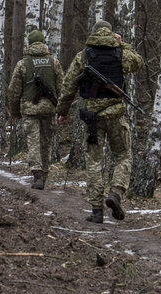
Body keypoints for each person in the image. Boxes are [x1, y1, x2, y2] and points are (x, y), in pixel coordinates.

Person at [57, 19, 143, 224]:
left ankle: (96, 210)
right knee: (123, 155)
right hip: (115, 114)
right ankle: (116, 192)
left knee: (94, 161)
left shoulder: (83, 56)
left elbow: (69, 85)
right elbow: (138, 62)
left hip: (91, 117)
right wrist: (122, 44)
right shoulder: (121, 54)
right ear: (111, 34)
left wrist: (63, 111)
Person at [6, 29, 62, 189]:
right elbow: (62, 87)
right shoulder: (53, 62)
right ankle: (44, 174)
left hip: (30, 109)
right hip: (49, 109)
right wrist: (62, 110)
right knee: (46, 142)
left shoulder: (23, 64)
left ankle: (37, 173)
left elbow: (14, 91)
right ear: (43, 43)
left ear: (29, 44)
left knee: (33, 142)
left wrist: (15, 111)